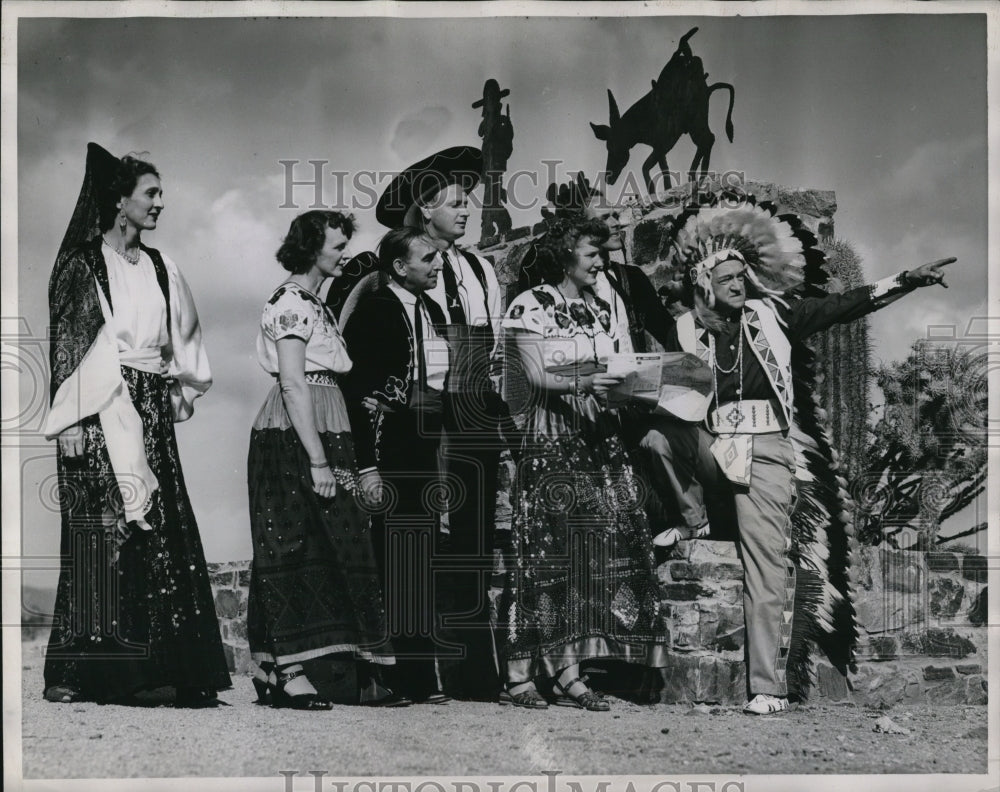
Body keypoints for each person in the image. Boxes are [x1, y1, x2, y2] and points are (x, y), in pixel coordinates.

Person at [638, 199, 956, 715]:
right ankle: (692, 516)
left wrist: (905, 280)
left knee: (765, 566)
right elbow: (672, 396)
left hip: (766, 452)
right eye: (727, 278)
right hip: (713, 446)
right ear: (705, 283)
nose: (739, 284)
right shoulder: (683, 331)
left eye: (743, 276)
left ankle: (767, 687)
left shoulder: (775, 314)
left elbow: (845, 304)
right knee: (656, 439)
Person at [41, 143, 230, 706]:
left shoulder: (161, 266)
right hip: (98, 406)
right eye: (151, 194)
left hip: (149, 403)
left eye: (160, 195)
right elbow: (71, 342)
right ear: (120, 202)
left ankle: (168, 670)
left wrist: (180, 384)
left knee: (160, 525)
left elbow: (185, 334)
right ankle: (78, 671)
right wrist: (69, 415)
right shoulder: (84, 263)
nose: (159, 204)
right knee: (101, 530)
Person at [499, 216, 668, 711]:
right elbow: (530, 376)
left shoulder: (602, 306)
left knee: (588, 554)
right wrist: (580, 383)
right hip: (553, 430)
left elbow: (620, 364)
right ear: (565, 256)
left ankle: (569, 674)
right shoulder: (528, 305)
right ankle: (518, 676)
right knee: (543, 550)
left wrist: (634, 387)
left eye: (602, 253)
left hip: (599, 433)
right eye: (592, 254)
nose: (601, 262)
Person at [246, 210, 400, 710]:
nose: (343, 254)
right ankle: (286, 671)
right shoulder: (290, 301)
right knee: (289, 542)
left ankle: (343, 671)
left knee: (341, 539)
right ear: (311, 248)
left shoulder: (316, 302)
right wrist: (316, 460)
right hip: (297, 431)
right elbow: (293, 380)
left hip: (328, 425)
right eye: (336, 246)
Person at [374, 146, 510, 701]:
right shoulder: (403, 269)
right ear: (424, 210)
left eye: (468, 199)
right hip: (424, 409)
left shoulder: (479, 268)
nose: (467, 209)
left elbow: (496, 338)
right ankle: (413, 668)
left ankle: (473, 674)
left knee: (472, 539)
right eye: (455, 202)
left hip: (473, 405)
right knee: (418, 535)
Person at [341, 226, 452, 705]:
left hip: (424, 445)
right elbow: (358, 390)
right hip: (389, 446)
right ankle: (380, 676)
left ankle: (419, 676)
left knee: (418, 557)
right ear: (399, 266)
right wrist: (368, 464)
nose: (437, 264)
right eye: (427, 258)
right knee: (388, 557)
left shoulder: (432, 310)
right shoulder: (373, 310)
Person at [518, 172, 673, 352]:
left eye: (615, 215)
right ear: (580, 228)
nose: (617, 223)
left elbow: (670, 335)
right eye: (604, 218)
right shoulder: (561, 287)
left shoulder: (632, 279)